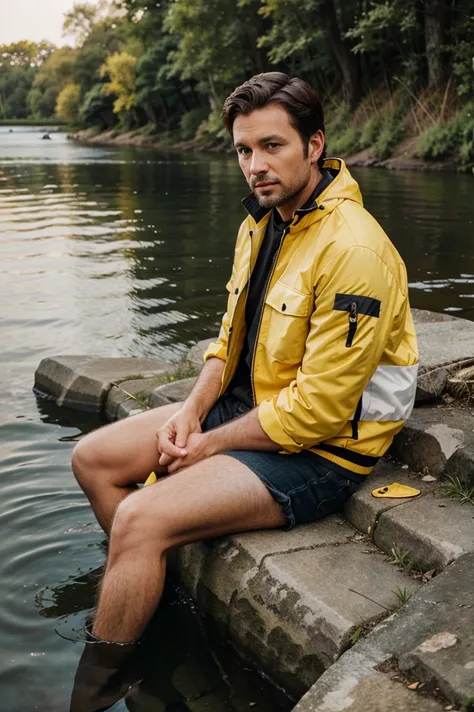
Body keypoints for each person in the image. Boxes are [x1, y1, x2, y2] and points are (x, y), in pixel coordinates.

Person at [71, 72, 418, 646]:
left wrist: (210, 442)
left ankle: (100, 679)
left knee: (140, 516)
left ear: (314, 146)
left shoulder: (354, 248)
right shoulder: (260, 224)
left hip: (323, 453)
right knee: (92, 458)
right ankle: (143, 583)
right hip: (248, 408)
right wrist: (191, 409)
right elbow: (228, 343)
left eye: (272, 146)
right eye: (244, 149)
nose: (255, 164)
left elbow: (321, 412)